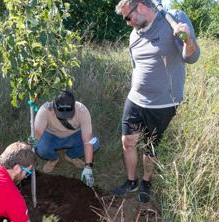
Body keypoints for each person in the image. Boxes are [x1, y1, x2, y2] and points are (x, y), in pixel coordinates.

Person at [111, 0, 200, 202]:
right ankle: (131, 181)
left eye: (128, 17)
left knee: (150, 146)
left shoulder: (174, 20)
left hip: (163, 103)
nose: (127, 22)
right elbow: (136, 66)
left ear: (141, 7)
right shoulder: (135, 34)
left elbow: (191, 58)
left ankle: (146, 181)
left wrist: (188, 40)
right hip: (135, 98)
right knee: (127, 141)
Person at [33, 90, 100, 187]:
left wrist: (88, 167)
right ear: (54, 107)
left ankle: (71, 156)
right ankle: (53, 159)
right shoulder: (45, 109)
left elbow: (87, 141)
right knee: (41, 148)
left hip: (73, 136)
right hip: (52, 136)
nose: (65, 118)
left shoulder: (82, 111)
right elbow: (38, 133)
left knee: (95, 143)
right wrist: (30, 150)